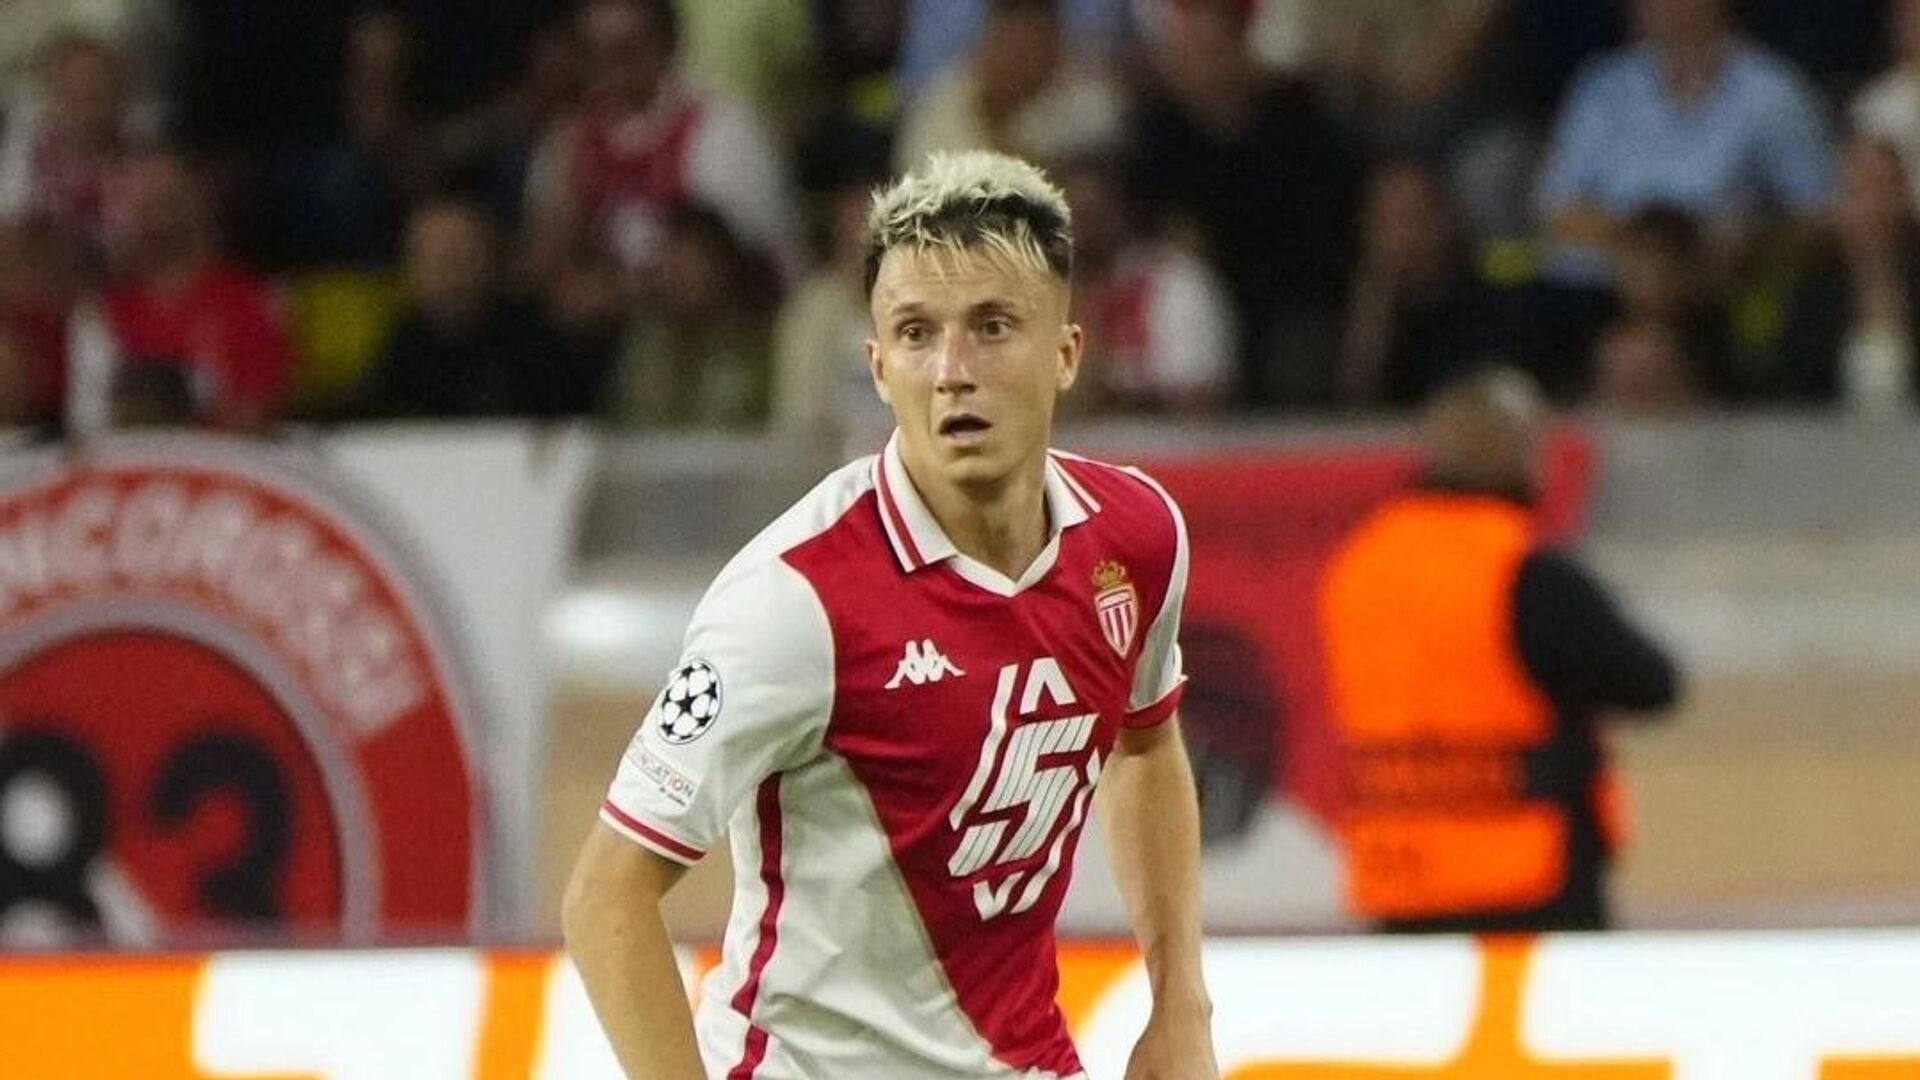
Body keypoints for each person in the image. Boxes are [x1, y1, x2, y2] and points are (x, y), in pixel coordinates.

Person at [564, 150, 1216, 1079]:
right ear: (877, 368)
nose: (952, 371)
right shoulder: (792, 600)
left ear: (1068, 353)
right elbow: (606, 897)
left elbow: (1144, 746)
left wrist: (1180, 1001)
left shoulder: (1137, 536)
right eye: (916, 334)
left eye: (993, 326)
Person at [1318, 367, 1680, 933]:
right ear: (1525, 455)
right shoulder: (1525, 572)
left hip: (1399, 876)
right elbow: (1651, 683)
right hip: (1526, 882)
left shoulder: (1361, 564)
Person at [1536, 0, 1835, 285]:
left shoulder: (1774, 94)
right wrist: (1648, 251)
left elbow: (1820, 215)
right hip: (1597, 290)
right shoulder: (1601, 85)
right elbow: (1559, 209)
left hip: (1718, 295)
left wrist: (1754, 243)